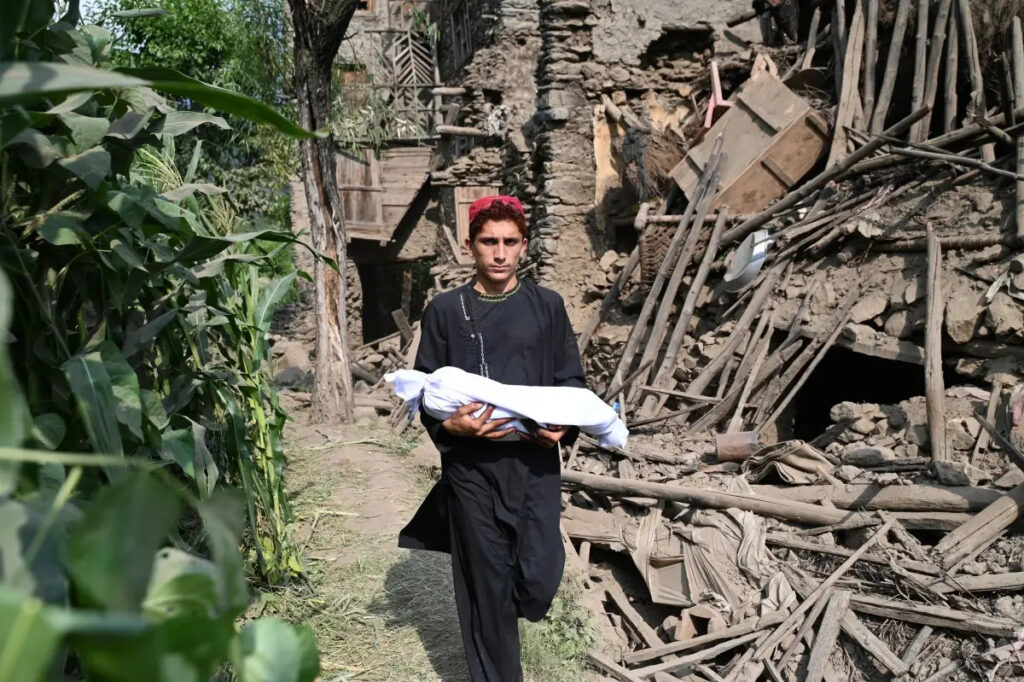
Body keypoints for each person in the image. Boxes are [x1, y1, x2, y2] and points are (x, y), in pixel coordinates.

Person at [398, 195, 586, 682]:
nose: (499, 253)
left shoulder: (547, 307)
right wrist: (449, 426)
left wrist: (563, 426)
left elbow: (570, 378)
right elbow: (426, 390)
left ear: (524, 245)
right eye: (488, 242)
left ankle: (510, 602)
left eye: (509, 242)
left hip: (534, 463)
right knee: (486, 589)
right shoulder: (445, 310)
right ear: (471, 247)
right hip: (471, 468)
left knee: (540, 576)